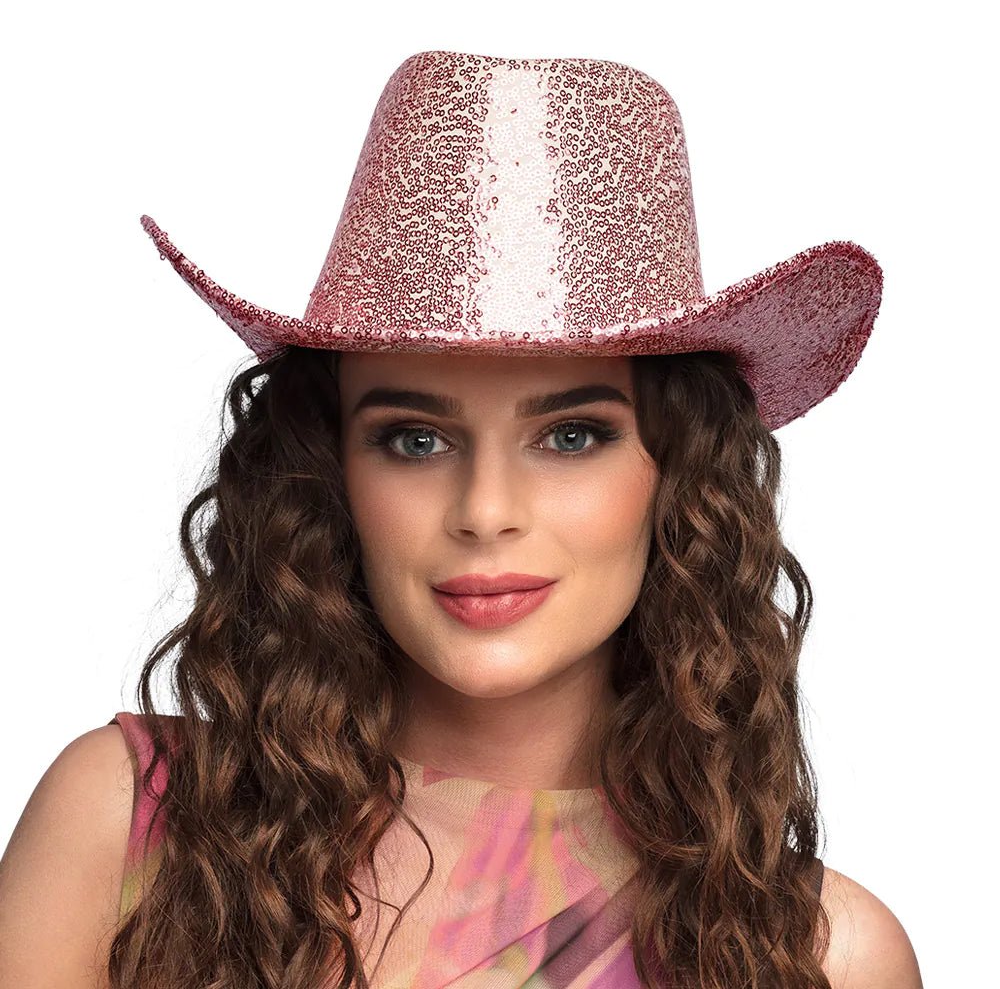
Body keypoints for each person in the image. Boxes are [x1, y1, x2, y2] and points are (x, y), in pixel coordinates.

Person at [0, 50, 922, 988]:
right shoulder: (130, 824)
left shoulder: (816, 955)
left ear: (679, 473)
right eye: (415, 440)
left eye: (570, 437)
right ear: (329, 471)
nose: (485, 512)